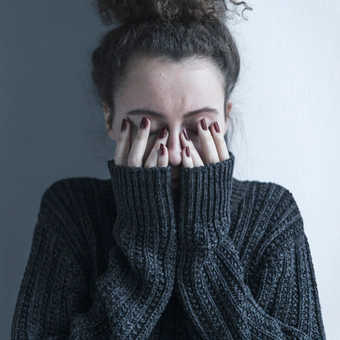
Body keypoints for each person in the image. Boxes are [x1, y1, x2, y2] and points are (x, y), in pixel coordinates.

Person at [12, 0, 326, 339]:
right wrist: (145, 241)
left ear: (226, 117)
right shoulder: (71, 210)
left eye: (198, 127)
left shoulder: (272, 215)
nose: (174, 153)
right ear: (110, 119)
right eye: (150, 128)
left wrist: (206, 241)